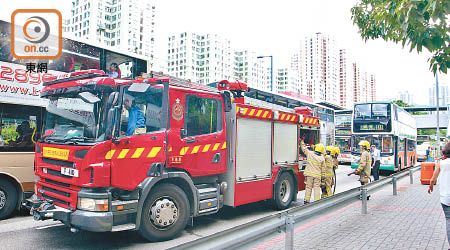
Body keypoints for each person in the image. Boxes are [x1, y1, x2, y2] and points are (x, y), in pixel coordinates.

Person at [428, 142, 450, 246]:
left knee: (449, 220)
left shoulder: (440, 164)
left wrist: (430, 186)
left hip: (446, 198)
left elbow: (433, 179)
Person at [300, 140, 326, 204]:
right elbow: (323, 170)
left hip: (309, 174)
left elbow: (304, 149)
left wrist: (302, 142)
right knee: (316, 188)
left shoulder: (310, 153)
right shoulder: (322, 158)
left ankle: (306, 200)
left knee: (308, 187)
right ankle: (317, 201)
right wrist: (323, 178)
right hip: (317, 176)